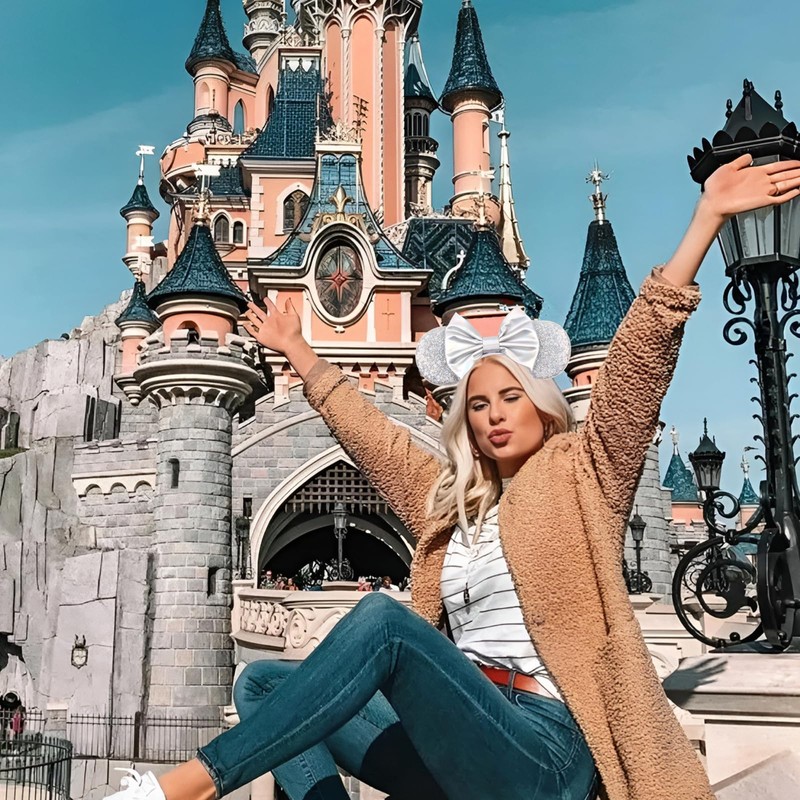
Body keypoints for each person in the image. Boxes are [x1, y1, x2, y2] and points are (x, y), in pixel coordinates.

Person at [106, 156, 800, 800]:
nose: (494, 414)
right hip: (464, 728)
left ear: (542, 403)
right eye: (478, 403)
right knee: (263, 684)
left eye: (510, 397)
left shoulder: (583, 475)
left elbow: (637, 365)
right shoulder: (452, 501)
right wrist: (300, 352)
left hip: (545, 749)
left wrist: (706, 221)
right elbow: (375, 438)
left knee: (384, 622)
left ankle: (192, 783)